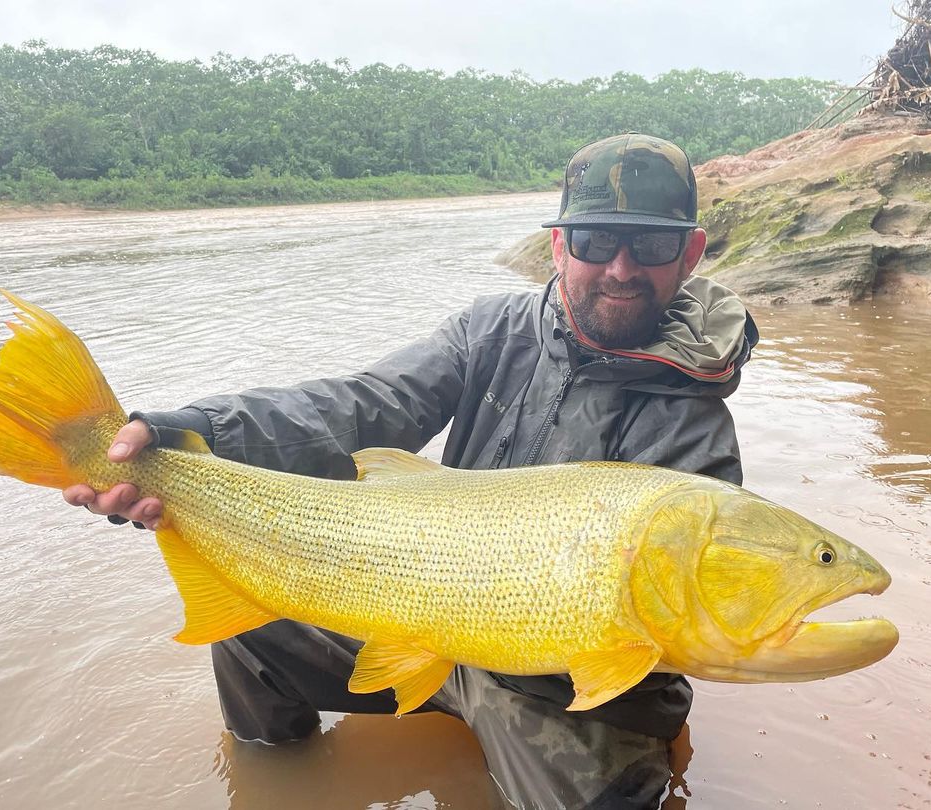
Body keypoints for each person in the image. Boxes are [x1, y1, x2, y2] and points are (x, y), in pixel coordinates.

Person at [64, 132, 758, 809]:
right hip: (424, 614)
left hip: (553, 689)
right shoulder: (492, 332)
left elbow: (690, 627)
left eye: (653, 245)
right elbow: (360, 407)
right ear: (558, 245)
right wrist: (187, 437)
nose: (621, 269)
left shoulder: (693, 427)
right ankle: (274, 777)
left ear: (690, 254)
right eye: (596, 242)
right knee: (250, 632)